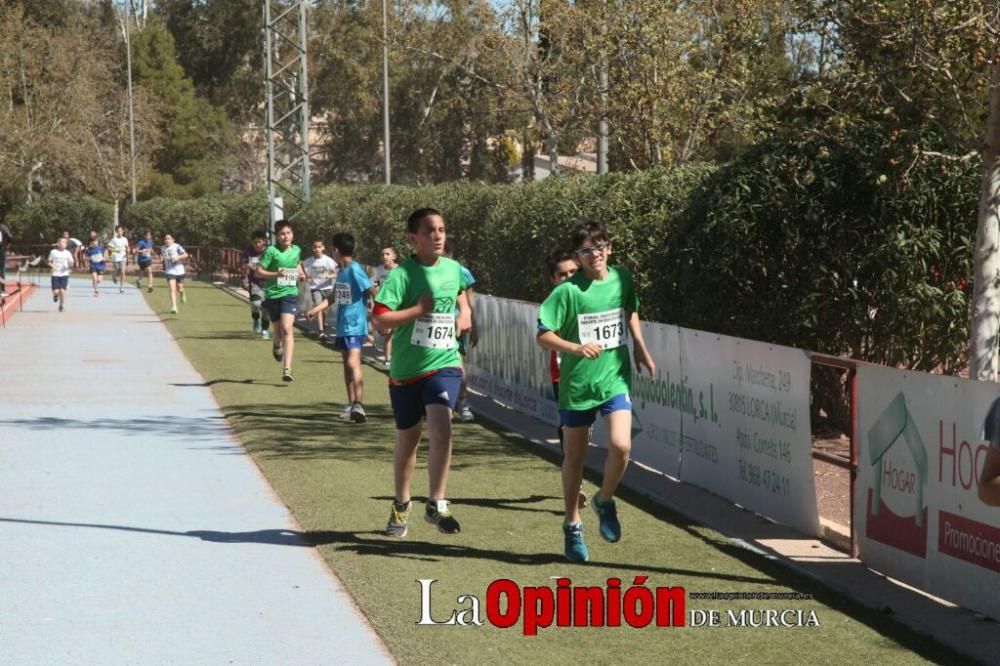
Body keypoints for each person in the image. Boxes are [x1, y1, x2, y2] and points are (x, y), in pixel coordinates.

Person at [536, 221, 656, 563]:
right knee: (575, 457)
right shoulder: (567, 291)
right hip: (577, 386)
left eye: (600, 246)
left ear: (610, 248)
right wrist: (575, 348)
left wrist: (640, 347)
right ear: (578, 255)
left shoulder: (622, 278)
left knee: (621, 445)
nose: (595, 254)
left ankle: (605, 500)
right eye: (587, 250)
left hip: (614, 380)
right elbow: (542, 335)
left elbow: (629, 310)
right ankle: (572, 524)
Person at [372, 208, 472, 538]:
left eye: (442, 229)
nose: (438, 235)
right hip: (406, 370)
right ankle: (401, 502)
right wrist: (417, 311)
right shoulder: (402, 275)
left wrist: (465, 312)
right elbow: (380, 319)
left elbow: (460, 291)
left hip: (444, 363)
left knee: (442, 426)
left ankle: (437, 501)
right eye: (430, 230)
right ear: (413, 238)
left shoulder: (454, 268)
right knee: (408, 439)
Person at [307, 232, 374, 422]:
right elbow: (334, 297)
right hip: (342, 326)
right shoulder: (342, 271)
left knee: (354, 362)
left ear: (335, 250)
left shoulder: (355, 269)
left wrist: (378, 315)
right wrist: (315, 309)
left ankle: (359, 405)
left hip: (355, 325)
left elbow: (371, 290)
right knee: (346, 365)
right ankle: (351, 403)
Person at [543, 248, 587, 510]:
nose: (569, 277)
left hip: (597, 374)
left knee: (584, 432)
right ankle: (577, 483)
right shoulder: (554, 302)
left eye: (573, 272)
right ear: (553, 279)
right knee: (570, 428)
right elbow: (544, 335)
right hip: (564, 373)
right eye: (562, 274)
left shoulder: (592, 295)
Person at [255, 220, 305, 382]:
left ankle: (287, 368)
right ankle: (276, 346)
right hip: (272, 295)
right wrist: (276, 275)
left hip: (290, 293)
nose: (286, 236)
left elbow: (297, 265)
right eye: (282, 234)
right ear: (277, 236)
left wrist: (301, 274)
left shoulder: (297, 250)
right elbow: (258, 272)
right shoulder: (271, 251)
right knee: (277, 331)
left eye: (288, 233)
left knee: (287, 328)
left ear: (293, 234)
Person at [443, 239, 478, 422]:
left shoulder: (461, 272)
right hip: (431, 326)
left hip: (455, 327)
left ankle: (462, 402)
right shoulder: (425, 270)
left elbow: (470, 302)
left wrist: (474, 326)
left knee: (458, 363)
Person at [302, 239, 337, 340]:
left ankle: (322, 325)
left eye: (319, 247)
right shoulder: (309, 260)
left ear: (323, 248)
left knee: (324, 310)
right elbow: (301, 267)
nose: (317, 249)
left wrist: (327, 276)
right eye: (315, 247)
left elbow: (335, 273)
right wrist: (305, 276)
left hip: (327, 287)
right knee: (318, 306)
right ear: (312, 248)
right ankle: (320, 331)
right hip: (315, 288)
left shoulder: (328, 260)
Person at [373, 246, 399, 368]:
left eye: (387, 254)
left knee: (399, 334)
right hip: (384, 306)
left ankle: (400, 359)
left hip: (397, 306)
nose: (384, 257)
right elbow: (377, 283)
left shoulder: (400, 270)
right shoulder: (379, 270)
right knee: (387, 333)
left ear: (394, 256)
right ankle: (387, 359)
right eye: (383, 254)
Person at [243, 231, 271, 340]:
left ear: (264, 242)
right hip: (255, 282)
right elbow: (245, 264)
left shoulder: (270, 251)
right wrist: (245, 277)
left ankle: (265, 330)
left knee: (266, 309)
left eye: (259, 242)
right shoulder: (249, 252)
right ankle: (255, 318)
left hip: (269, 283)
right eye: (255, 243)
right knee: (255, 304)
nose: (257, 245)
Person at [161, 233, 188, 314]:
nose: (167, 240)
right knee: (172, 289)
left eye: (169, 239)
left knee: (179, 288)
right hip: (170, 271)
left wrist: (178, 257)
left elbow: (186, 254)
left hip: (179, 271)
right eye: (165, 239)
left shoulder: (177, 246)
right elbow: (164, 257)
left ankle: (183, 293)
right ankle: (174, 306)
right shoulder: (162, 248)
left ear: (173, 240)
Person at [47, 236, 74, 312]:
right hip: (55, 274)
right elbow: (48, 261)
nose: (65, 243)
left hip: (64, 274)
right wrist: (53, 266)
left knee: (62, 291)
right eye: (63, 242)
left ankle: (61, 306)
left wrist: (70, 265)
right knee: (56, 291)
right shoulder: (53, 252)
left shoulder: (67, 253)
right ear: (58, 244)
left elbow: (71, 263)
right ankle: (55, 295)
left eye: (66, 242)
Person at [107, 226, 129, 294]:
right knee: (116, 269)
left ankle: (121, 287)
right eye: (118, 231)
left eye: (121, 231)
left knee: (122, 271)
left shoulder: (125, 239)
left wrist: (128, 252)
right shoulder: (114, 239)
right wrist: (115, 250)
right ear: (116, 232)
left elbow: (127, 248)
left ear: (123, 231)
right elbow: (108, 248)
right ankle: (114, 276)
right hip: (116, 257)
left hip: (123, 257)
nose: (120, 232)